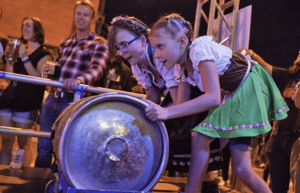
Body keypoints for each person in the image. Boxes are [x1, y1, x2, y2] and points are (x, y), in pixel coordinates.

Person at [144, 13, 288, 193]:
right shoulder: (182, 66)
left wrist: (166, 112)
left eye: (160, 47)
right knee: (242, 169)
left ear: (182, 42)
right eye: (153, 48)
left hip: (248, 89)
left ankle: (192, 191)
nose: (156, 55)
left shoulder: (198, 49)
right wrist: (152, 111)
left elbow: (212, 98)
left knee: (200, 137)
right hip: (234, 95)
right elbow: (181, 104)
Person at [107, 15, 221, 193]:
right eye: (117, 48)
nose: (121, 52)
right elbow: (152, 95)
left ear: (144, 40)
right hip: (179, 100)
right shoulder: (137, 65)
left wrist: (160, 112)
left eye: (124, 45)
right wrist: (132, 110)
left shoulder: (163, 58)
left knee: (183, 136)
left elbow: (179, 101)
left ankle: (203, 184)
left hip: (194, 97)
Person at [35, 0, 108, 169]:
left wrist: (80, 80)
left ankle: (61, 185)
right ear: (74, 16)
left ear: (93, 19)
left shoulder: (99, 43)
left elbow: (98, 69)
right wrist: (49, 71)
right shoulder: (65, 42)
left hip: (73, 101)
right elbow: (60, 70)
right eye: (78, 13)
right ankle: (38, 184)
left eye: (85, 14)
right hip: (52, 99)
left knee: (65, 148)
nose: (81, 17)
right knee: (43, 147)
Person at [0, 17, 52, 167]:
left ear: (37, 30)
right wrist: (10, 60)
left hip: (27, 103)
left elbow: (38, 79)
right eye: (23, 26)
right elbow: (10, 78)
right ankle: (3, 176)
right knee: (6, 142)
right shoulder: (20, 49)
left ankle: (24, 176)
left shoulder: (45, 54)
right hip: (9, 100)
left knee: (24, 145)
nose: (24, 29)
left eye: (28, 25)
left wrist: (24, 58)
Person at [247, 49, 300, 192]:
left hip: (298, 140)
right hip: (279, 137)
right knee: (277, 186)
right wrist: (251, 54)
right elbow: (264, 66)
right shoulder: (288, 76)